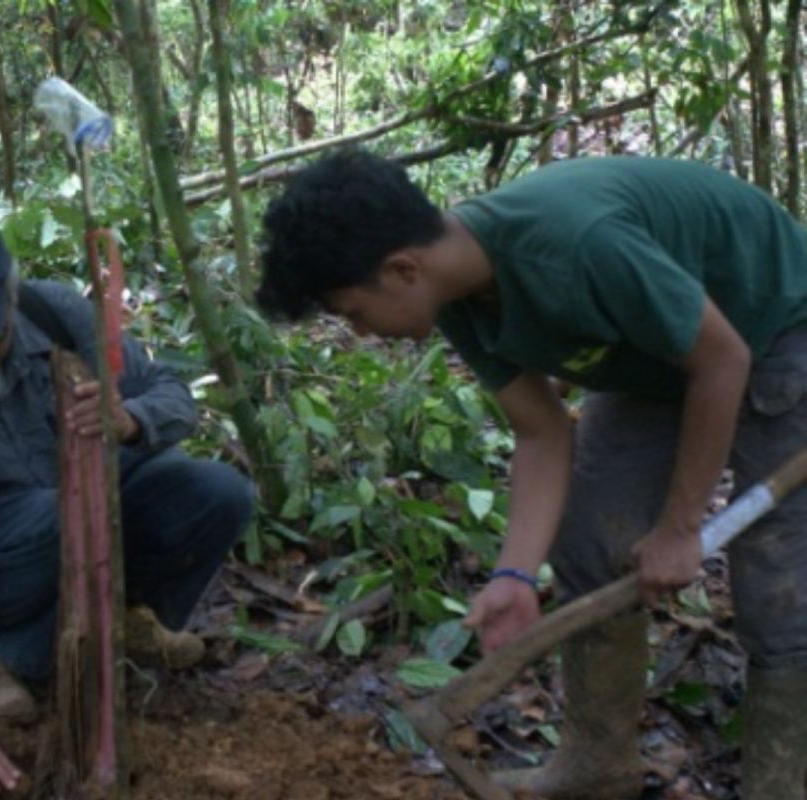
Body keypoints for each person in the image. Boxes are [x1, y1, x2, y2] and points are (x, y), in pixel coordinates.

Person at [255, 151, 807, 800]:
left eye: (353, 314)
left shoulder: (576, 248)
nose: (363, 332)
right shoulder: (460, 296)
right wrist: (513, 576)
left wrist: (680, 527)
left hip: (774, 326)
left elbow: (722, 359)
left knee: (778, 591)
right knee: (591, 544)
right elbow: (542, 431)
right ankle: (598, 765)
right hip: (656, 352)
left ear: (402, 268)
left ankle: (778, 785)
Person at [0, 215, 253, 795]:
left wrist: (129, 419)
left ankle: (126, 613)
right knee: (54, 514)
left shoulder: (59, 316)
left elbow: (174, 396)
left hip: (83, 498)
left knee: (217, 493)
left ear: (11, 300)